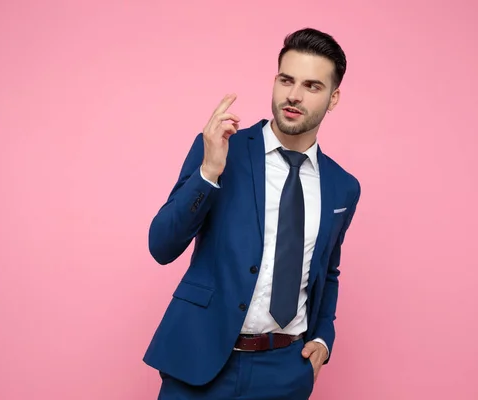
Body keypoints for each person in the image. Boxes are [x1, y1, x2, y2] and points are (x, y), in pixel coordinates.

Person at [143, 27, 361, 400]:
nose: (293, 95)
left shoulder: (343, 187)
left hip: (284, 372)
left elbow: (328, 270)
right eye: (286, 80)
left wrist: (324, 337)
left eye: (312, 86)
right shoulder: (222, 149)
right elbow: (161, 245)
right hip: (200, 363)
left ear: (334, 97)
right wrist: (209, 172)